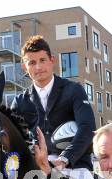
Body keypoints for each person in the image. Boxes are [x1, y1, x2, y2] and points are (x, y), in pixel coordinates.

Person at [11, 35, 96, 171]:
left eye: (42, 60)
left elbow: (87, 127)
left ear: (52, 61)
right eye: (32, 63)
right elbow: (15, 139)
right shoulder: (19, 102)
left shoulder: (74, 90)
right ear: (24, 68)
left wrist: (64, 159)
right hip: (37, 168)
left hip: (76, 166)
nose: (38, 67)